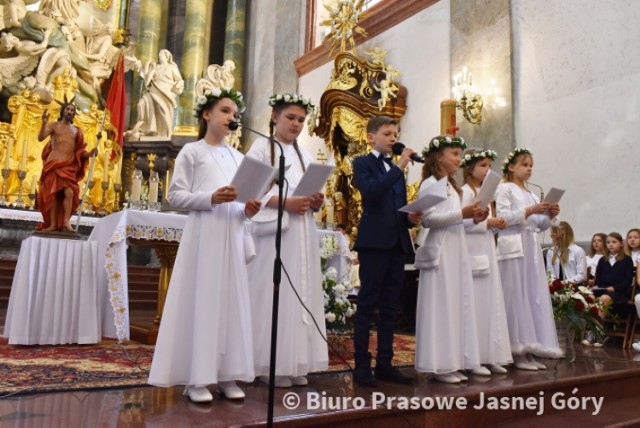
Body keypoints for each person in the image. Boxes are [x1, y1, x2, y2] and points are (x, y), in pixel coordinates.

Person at [148, 80, 261, 403]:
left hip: (232, 234)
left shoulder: (238, 157)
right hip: (205, 235)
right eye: (225, 110)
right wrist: (210, 197)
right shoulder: (192, 151)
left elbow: (242, 199)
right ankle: (197, 378)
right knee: (205, 301)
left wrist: (249, 207)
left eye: (235, 112)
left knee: (231, 303)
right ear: (207, 114)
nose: (231, 116)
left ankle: (227, 373)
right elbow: (176, 195)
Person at [245, 93, 327, 388]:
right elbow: (249, 189)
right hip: (274, 233)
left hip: (302, 231)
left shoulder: (305, 155)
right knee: (271, 292)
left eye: (301, 120)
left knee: (301, 292)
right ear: (274, 117)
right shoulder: (262, 148)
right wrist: (286, 202)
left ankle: (294, 361)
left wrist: (316, 200)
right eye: (290, 118)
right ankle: (268, 363)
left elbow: (313, 195)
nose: (296, 124)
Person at [351, 115, 423, 387]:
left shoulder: (394, 169)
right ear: (371, 137)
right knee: (368, 305)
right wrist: (400, 165)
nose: (394, 138)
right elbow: (372, 195)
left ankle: (385, 363)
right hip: (374, 244)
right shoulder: (362, 163)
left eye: (396, 133)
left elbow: (394, 209)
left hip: (396, 243)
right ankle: (361, 366)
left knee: (391, 307)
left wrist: (409, 219)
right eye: (388, 133)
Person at [414, 136, 487, 384]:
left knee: (457, 303)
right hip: (441, 251)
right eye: (454, 154)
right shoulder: (430, 184)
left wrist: (472, 218)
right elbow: (428, 220)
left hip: (457, 248)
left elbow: (456, 218)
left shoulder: (451, 186)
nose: (459, 159)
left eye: (459, 154)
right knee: (442, 305)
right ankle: (439, 364)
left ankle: (454, 360)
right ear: (438, 157)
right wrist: (462, 213)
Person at [495, 147, 562, 370]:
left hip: (531, 245)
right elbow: (502, 217)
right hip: (514, 245)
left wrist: (549, 215)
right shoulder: (505, 189)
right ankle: (515, 349)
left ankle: (530, 347)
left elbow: (539, 225)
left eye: (531, 165)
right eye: (524, 164)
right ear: (511, 166)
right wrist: (531, 210)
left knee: (531, 294)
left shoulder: (532, 193)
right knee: (516, 295)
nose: (529, 169)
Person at [460, 147, 513, 374]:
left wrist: (496, 223)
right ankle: (474, 358)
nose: (487, 170)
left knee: (490, 301)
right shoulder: (465, 192)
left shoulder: (484, 192)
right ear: (470, 168)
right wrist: (488, 224)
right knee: (476, 303)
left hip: (486, 248)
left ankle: (490, 354)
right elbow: (461, 223)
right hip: (472, 251)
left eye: (489, 166)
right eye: (482, 166)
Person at [36, 101, 96, 232]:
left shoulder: (76, 131)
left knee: (69, 193)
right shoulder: (54, 126)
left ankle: (66, 222)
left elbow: (80, 151)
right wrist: (44, 123)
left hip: (67, 166)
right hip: (53, 164)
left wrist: (90, 154)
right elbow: (40, 138)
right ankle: (52, 224)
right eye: (68, 109)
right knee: (53, 194)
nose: (70, 112)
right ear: (62, 111)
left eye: (72, 111)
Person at [583, 232, 634, 347]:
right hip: (602, 290)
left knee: (603, 299)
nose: (611, 245)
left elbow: (627, 281)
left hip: (618, 292)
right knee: (590, 297)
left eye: (614, 242)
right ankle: (598, 331)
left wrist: (614, 287)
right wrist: (595, 288)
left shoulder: (627, 260)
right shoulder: (603, 260)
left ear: (621, 244)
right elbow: (598, 280)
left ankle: (596, 332)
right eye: (608, 242)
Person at [136, 49, 184, 138]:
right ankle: (150, 129)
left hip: (166, 91)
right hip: (154, 89)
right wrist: (142, 67)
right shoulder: (156, 67)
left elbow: (179, 79)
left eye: (161, 55)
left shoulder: (172, 67)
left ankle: (167, 132)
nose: (159, 56)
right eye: (159, 55)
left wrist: (179, 84)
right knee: (142, 103)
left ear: (167, 56)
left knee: (162, 110)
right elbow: (146, 78)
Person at [545, 221, 588, 286]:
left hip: (573, 287)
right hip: (556, 288)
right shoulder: (551, 251)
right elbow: (550, 272)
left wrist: (563, 283)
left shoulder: (578, 251)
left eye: (556, 233)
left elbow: (582, 275)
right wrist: (554, 282)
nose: (552, 236)